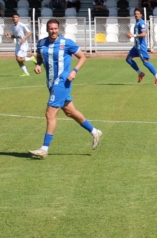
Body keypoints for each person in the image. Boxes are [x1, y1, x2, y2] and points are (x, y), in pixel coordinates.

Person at [28, 20, 102, 159]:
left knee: (50, 115)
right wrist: (38, 64)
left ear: (59, 29)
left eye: (55, 28)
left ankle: (44, 148)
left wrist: (74, 71)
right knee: (70, 112)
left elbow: (82, 57)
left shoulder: (66, 43)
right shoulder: (41, 43)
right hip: (51, 83)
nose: (53, 31)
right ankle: (94, 131)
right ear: (47, 29)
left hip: (62, 83)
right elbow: (40, 55)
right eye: (51, 29)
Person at [126, 9, 157, 85]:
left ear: (141, 14)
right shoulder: (137, 23)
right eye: (135, 14)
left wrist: (133, 35)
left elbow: (144, 34)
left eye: (138, 14)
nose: (136, 15)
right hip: (136, 46)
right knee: (128, 59)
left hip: (141, 46)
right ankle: (140, 73)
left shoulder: (141, 23)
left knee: (145, 62)